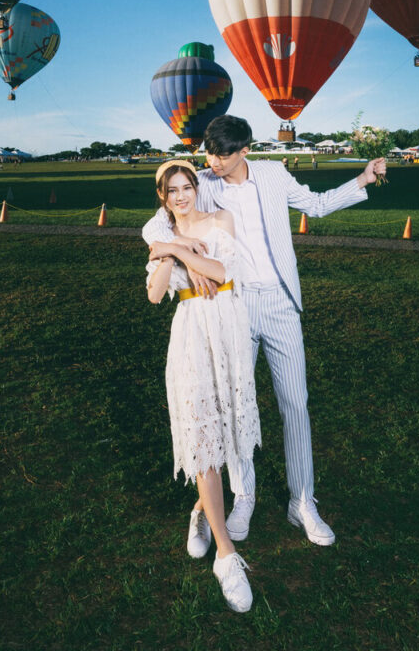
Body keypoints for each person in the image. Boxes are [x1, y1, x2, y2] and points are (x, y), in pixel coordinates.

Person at [193, 114, 385, 547]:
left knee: (295, 403)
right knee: (239, 406)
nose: (213, 160)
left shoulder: (273, 173)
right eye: (209, 151)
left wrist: (363, 178)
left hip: (281, 302)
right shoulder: (202, 184)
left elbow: (315, 205)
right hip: (233, 304)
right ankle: (244, 496)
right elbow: (174, 223)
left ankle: (302, 502)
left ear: (245, 150)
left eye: (222, 153)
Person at [143, 160, 260, 613]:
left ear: (196, 188)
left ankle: (200, 512)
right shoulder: (161, 236)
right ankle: (226, 556)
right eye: (171, 190)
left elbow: (222, 271)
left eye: (186, 186)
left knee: (227, 430)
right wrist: (169, 250)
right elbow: (154, 295)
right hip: (191, 333)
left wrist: (182, 250)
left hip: (228, 325)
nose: (180, 196)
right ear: (163, 196)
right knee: (201, 432)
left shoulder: (219, 220)